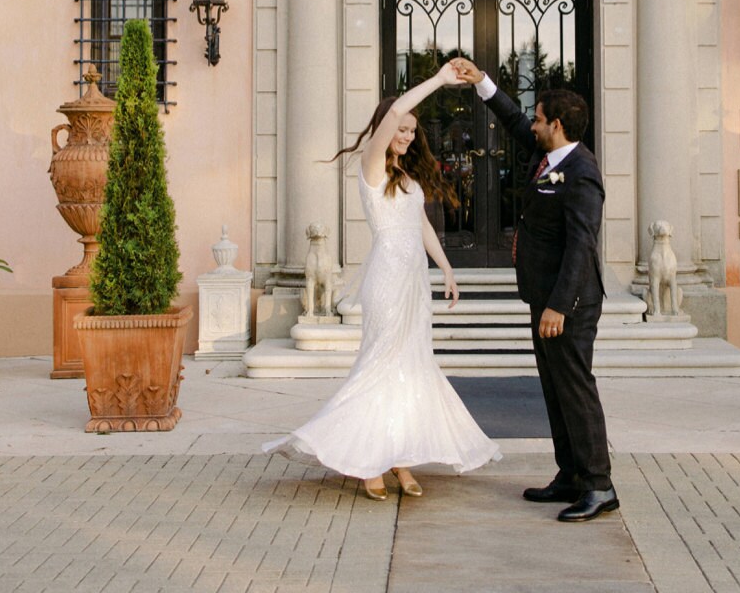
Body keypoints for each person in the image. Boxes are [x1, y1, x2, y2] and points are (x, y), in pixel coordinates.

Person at [263, 61, 500, 498]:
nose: (407, 136)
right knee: (380, 368)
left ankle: (399, 458)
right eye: (401, 129)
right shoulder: (371, 165)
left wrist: (445, 268)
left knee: (410, 367)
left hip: (414, 282)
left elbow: (421, 225)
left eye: (412, 131)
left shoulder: (407, 177)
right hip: (387, 280)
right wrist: (440, 81)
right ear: (384, 130)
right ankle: (367, 461)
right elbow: (392, 115)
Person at [453, 58, 618, 523]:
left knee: (576, 390)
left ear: (558, 125)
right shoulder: (549, 155)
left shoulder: (581, 172)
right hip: (543, 297)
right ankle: (570, 475)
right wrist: (481, 81)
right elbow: (513, 120)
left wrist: (559, 307)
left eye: (541, 119)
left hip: (569, 304)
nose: (535, 125)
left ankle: (599, 485)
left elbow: (583, 244)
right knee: (554, 390)